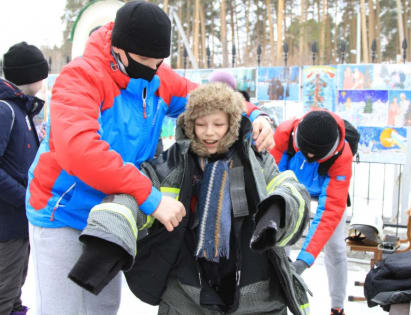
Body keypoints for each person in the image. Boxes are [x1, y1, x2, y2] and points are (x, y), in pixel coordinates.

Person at [25, 1, 274, 314]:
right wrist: (151, 198)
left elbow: (208, 99)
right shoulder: (81, 78)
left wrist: (256, 114)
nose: (154, 69)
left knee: (102, 306)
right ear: (120, 49)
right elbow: (80, 151)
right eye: (145, 60)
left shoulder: (157, 77)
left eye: (159, 62)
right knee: (63, 309)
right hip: (62, 211)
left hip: (111, 210)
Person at [73, 82, 311, 314]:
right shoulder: (172, 163)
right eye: (201, 124)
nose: (209, 132)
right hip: (188, 294)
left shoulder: (256, 160)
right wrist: (109, 235)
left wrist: (277, 208)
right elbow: (132, 194)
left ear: (232, 124)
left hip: (255, 290)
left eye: (218, 124)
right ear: (190, 126)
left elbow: (290, 189)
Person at [270, 109, 353, 315]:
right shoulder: (283, 134)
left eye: (315, 156)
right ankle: (277, 298)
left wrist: (304, 260)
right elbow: (269, 181)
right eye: (305, 152)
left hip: (324, 191)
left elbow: (329, 212)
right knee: (280, 240)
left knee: (336, 247)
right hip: (290, 186)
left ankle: (337, 305)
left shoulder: (343, 155)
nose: (308, 157)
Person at [0, 42, 48, 315]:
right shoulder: (6, 110)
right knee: (4, 298)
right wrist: (26, 197)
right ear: (33, 75)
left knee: (13, 294)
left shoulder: (22, 110)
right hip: (7, 227)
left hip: (18, 223)